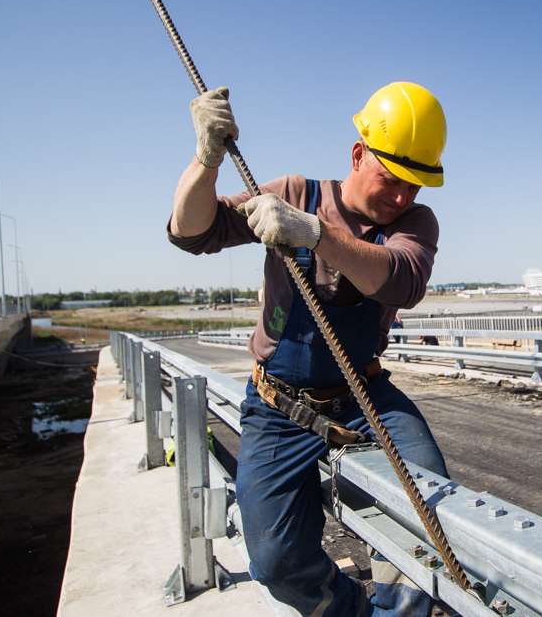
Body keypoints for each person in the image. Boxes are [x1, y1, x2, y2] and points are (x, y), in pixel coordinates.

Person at [167, 82, 450, 617]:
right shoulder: (295, 194)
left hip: (366, 398)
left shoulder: (414, 223)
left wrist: (316, 235)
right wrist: (206, 159)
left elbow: (404, 281)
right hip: (280, 407)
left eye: (415, 186)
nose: (401, 198)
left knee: (431, 513)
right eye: (392, 180)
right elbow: (192, 231)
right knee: (274, 560)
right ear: (358, 153)